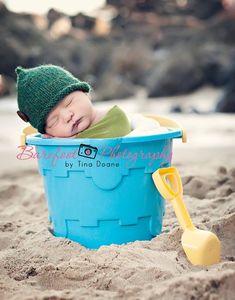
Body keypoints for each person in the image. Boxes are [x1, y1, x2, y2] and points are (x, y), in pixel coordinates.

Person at [16, 64, 165, 139]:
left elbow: (106, 150)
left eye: (69, 103)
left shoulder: (113, 116)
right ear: (47, 132)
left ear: (86, 94)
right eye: (54, 121)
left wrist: (68, 142)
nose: (67, 116)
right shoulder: (57, 143)